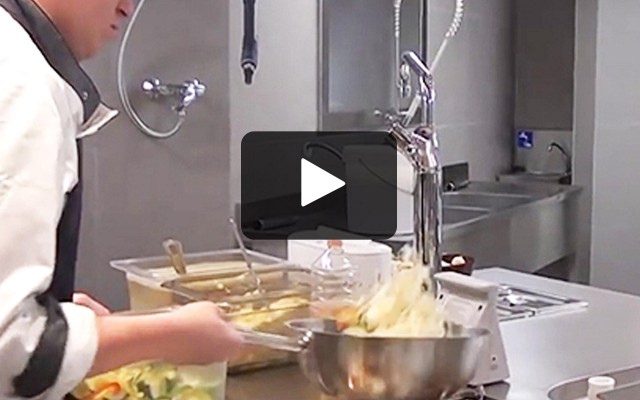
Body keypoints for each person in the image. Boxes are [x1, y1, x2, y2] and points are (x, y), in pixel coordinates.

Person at [0, 0, 243, 398]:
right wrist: (172, 334)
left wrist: (63, 311)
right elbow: (13, 350)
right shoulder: (21, 84)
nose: (128, 8)